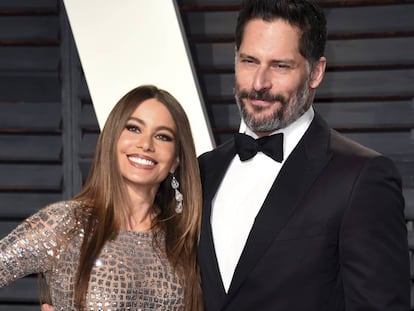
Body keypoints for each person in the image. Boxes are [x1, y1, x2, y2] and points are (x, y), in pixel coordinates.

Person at [197, 0, 410, 310]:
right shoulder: (204, 169)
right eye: (249, 61)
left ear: (316, 72)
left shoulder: (361, 178)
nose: (259, 83)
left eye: (280, 65)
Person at [0, 85, 203, 310]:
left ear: (176, 160)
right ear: (112, 140)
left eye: (163, 136)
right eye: (134, 129)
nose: (146, 144)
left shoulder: (185, 239)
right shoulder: (65, 223)